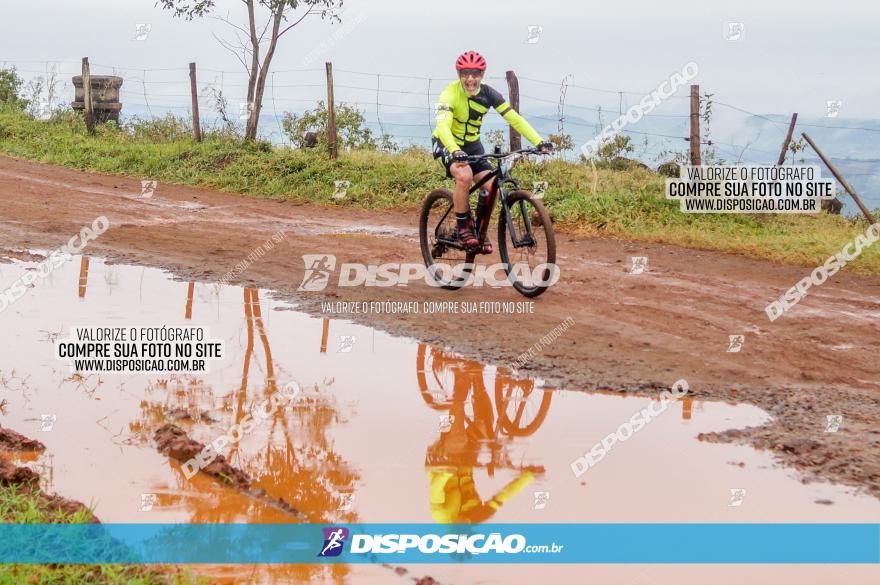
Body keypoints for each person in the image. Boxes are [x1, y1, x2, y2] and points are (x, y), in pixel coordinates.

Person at [432, 50, 553, 253]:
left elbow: (514, 118)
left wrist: (539, 141)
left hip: (472, 145)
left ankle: (479, 229)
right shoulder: (449, 93)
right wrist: (454, 150)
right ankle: (464, 228)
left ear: (482, 75)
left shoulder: (489, 94)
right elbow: (443, 125)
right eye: (465, 73)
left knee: (491, 184)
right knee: (464, 175)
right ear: (459, 74)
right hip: (446, 142)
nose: (470, 79)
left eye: (475, 74)